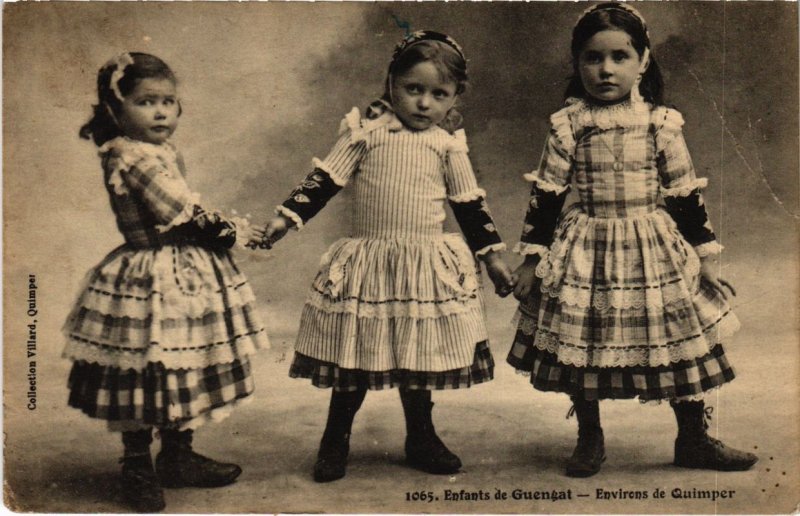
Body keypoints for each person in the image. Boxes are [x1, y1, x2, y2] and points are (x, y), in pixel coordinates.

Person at [507, 3, 758, 478]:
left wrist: (705, 259)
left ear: (643, 61)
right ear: (577, 63)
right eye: (592, 58)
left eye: (620, 56)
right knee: (585, 339)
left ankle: (694, 438)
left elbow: (684, 195)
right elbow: (546, 195)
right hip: (588, 245)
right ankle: (589, 437)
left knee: (679, 339)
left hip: (653, 246)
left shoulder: (661, 123)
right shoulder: (569, 125)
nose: (605, 69)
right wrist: (530, 261)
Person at [262, 31, 516, 482]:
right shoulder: (367, 135)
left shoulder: (447, 145)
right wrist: (286, 219)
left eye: (439, 94)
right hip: (372, 264)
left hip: (423, 267)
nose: (423, 103)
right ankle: (334, 438)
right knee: (355, 357)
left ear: (455, 96)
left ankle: (421, 436)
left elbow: (469, 206)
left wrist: (493, 258)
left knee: (417, 358)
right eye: (413, 89)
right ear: (391, 83)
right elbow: (324, 180)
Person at [64, 52, 269, 511]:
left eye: (169, 101)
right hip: (151, 273)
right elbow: (176, 212)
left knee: (185, 363)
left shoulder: (158, 151)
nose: (160, 111)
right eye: (145, 101)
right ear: (116, 111)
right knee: (147, 367)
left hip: (183, 272)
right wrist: (232, 230)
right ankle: (137, 464)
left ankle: (178, 455)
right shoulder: (128, 156)